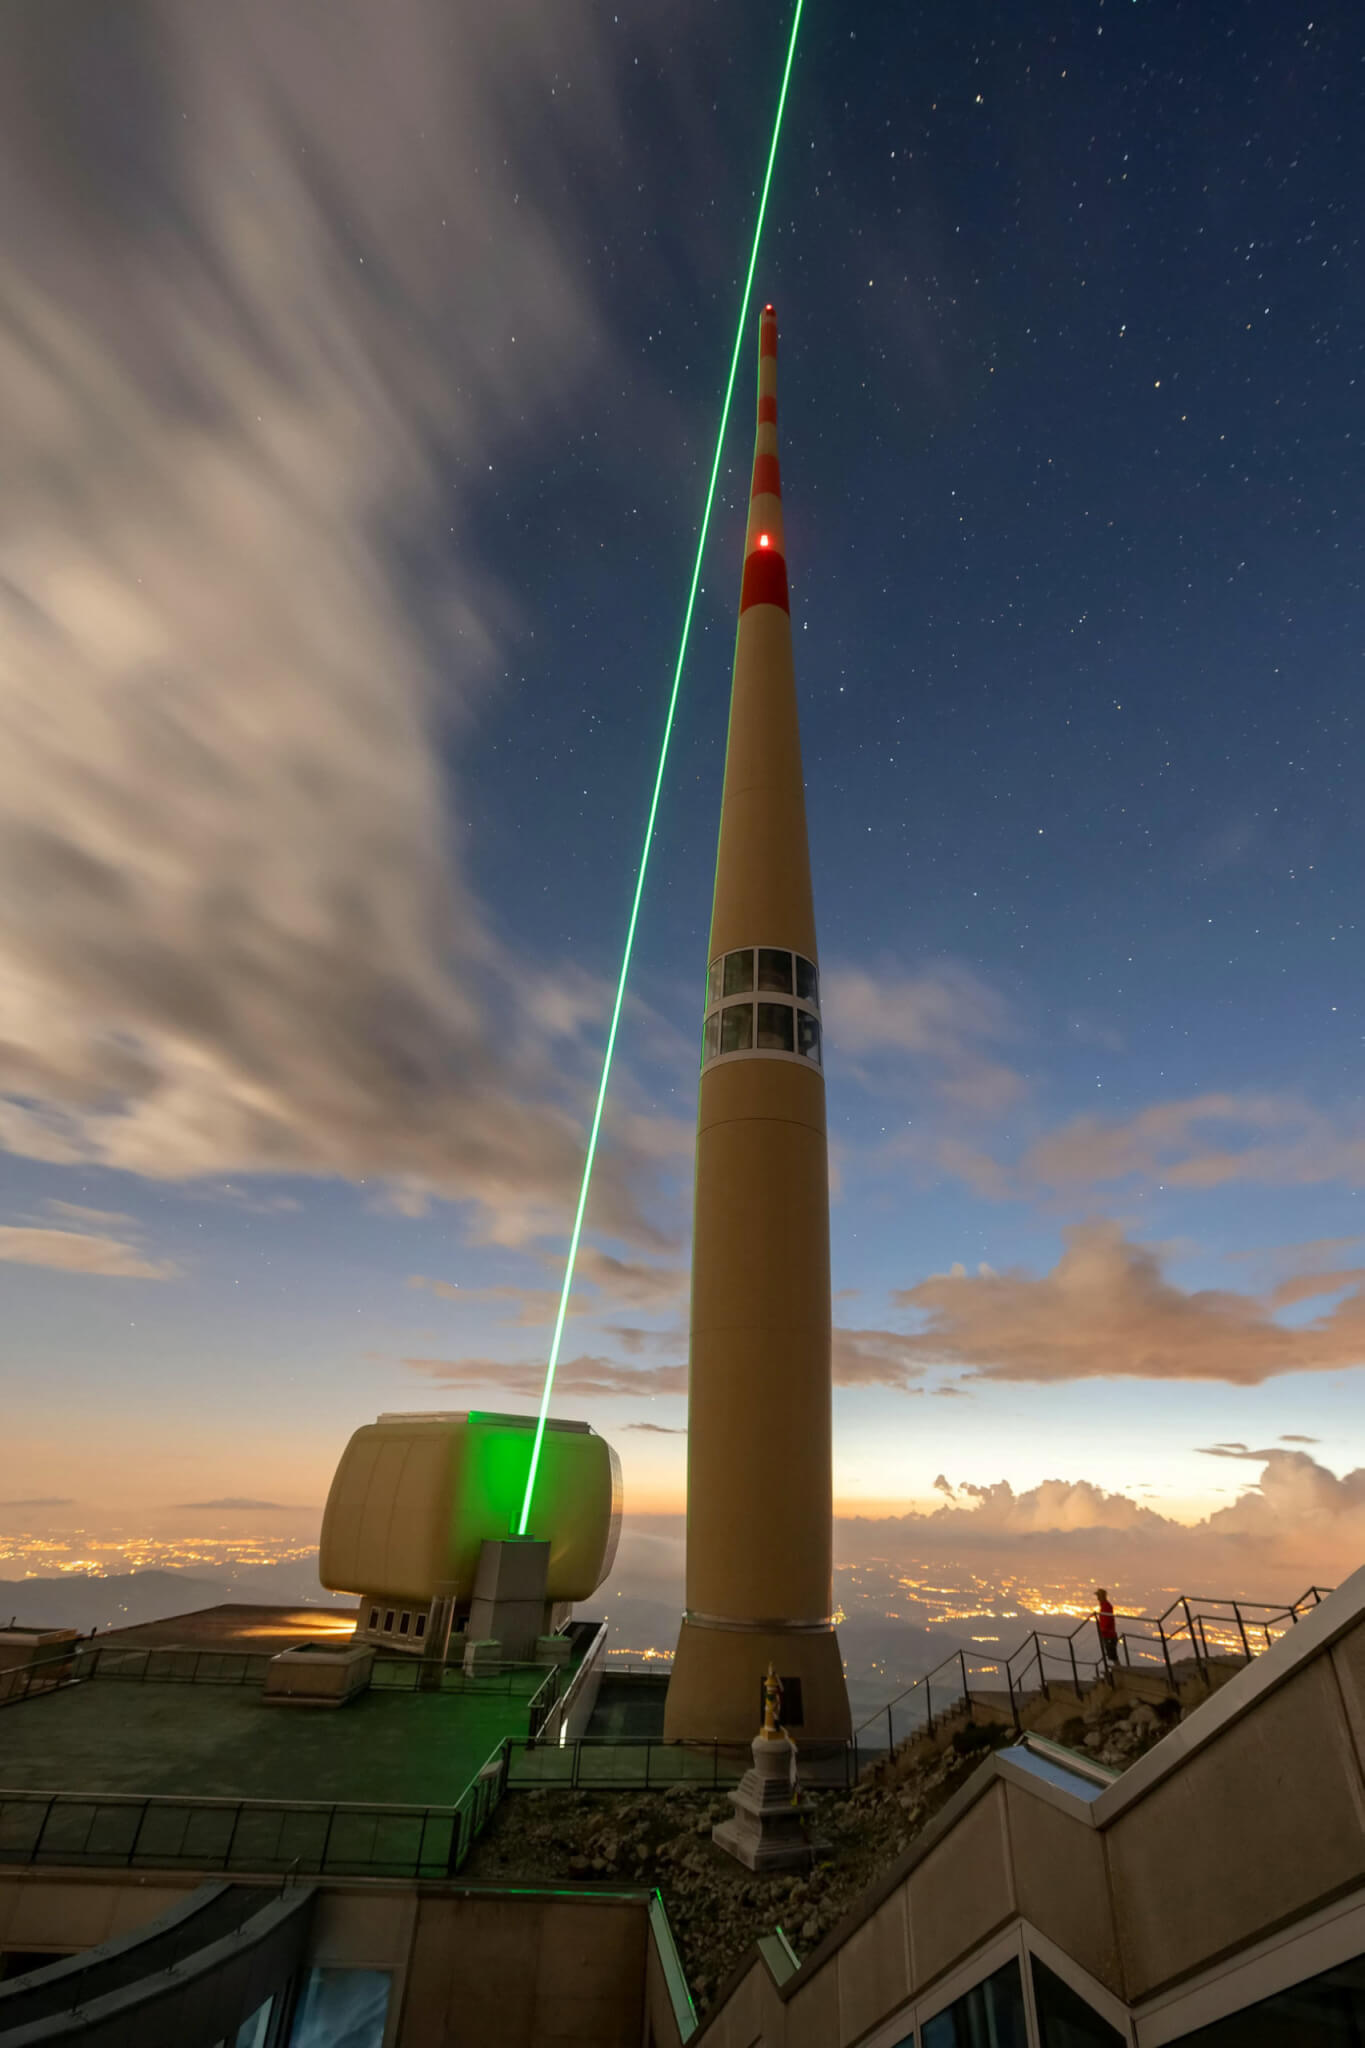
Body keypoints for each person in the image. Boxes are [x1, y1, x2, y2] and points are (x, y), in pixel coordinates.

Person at [1096, 1589, 1120, 1665]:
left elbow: (1107, 1620)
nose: (1098, 1598)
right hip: (1107, 1634)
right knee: (1111, 1654)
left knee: (1112, 1655)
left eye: (1099, 1596)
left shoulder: (1106, 1606)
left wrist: (1103, 1629)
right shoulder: (1104, 1606)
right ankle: (1117, 1669)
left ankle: (1118, 1669)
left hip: (1109, 1635)